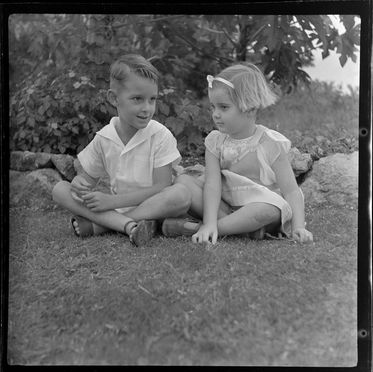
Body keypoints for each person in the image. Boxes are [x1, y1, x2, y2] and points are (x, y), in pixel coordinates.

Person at [162, 63, 313, 244]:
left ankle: (197, 229)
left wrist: (298, 227)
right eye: (213, 107)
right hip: (224, 206)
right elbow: (212, 185)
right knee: (184, 181)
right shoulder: (215, 141)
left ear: (250, 108)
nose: (215, 114)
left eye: (224, 107)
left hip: (258, 206)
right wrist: (210, 220)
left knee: (268, 210)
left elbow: (291, 191)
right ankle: (239, 229)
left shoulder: (269, 143)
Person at [53, 54, 191, 246]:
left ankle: (106, 225)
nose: (147, 108)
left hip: (156, 204)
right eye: (137, 99)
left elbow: (162, 187)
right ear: (114, 98)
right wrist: (79, 183)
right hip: (119, 208)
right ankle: (131, 224)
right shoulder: (104, 137)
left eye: (152, 99)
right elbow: (88, 180)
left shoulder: (160, 135)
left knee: (181, 194)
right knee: (60, 189)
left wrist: (111, 203)